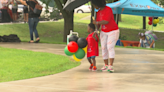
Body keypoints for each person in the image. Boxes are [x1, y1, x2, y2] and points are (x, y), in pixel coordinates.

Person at [91, 0, 120, 72]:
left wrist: (97, 22)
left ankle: (111, 66)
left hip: (112, 31)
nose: (94, 6)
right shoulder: (98, 12)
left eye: (94, 4)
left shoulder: (108, 9)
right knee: (103, 47)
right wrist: (96, 30)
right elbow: (98, 24)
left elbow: (106, 21)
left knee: (110, 47)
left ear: (98, 4)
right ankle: (106, 65)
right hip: (103, 31)